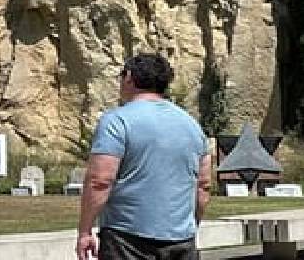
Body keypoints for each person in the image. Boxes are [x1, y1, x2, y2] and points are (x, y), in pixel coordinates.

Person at [76, 53, 213, 260]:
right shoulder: (192, 125)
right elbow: (203, 185)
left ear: (129, 77)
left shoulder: (116, 121)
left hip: (127, 239)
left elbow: (100, 181)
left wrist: (85, 231)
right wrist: (189, 226)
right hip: (181, 240)